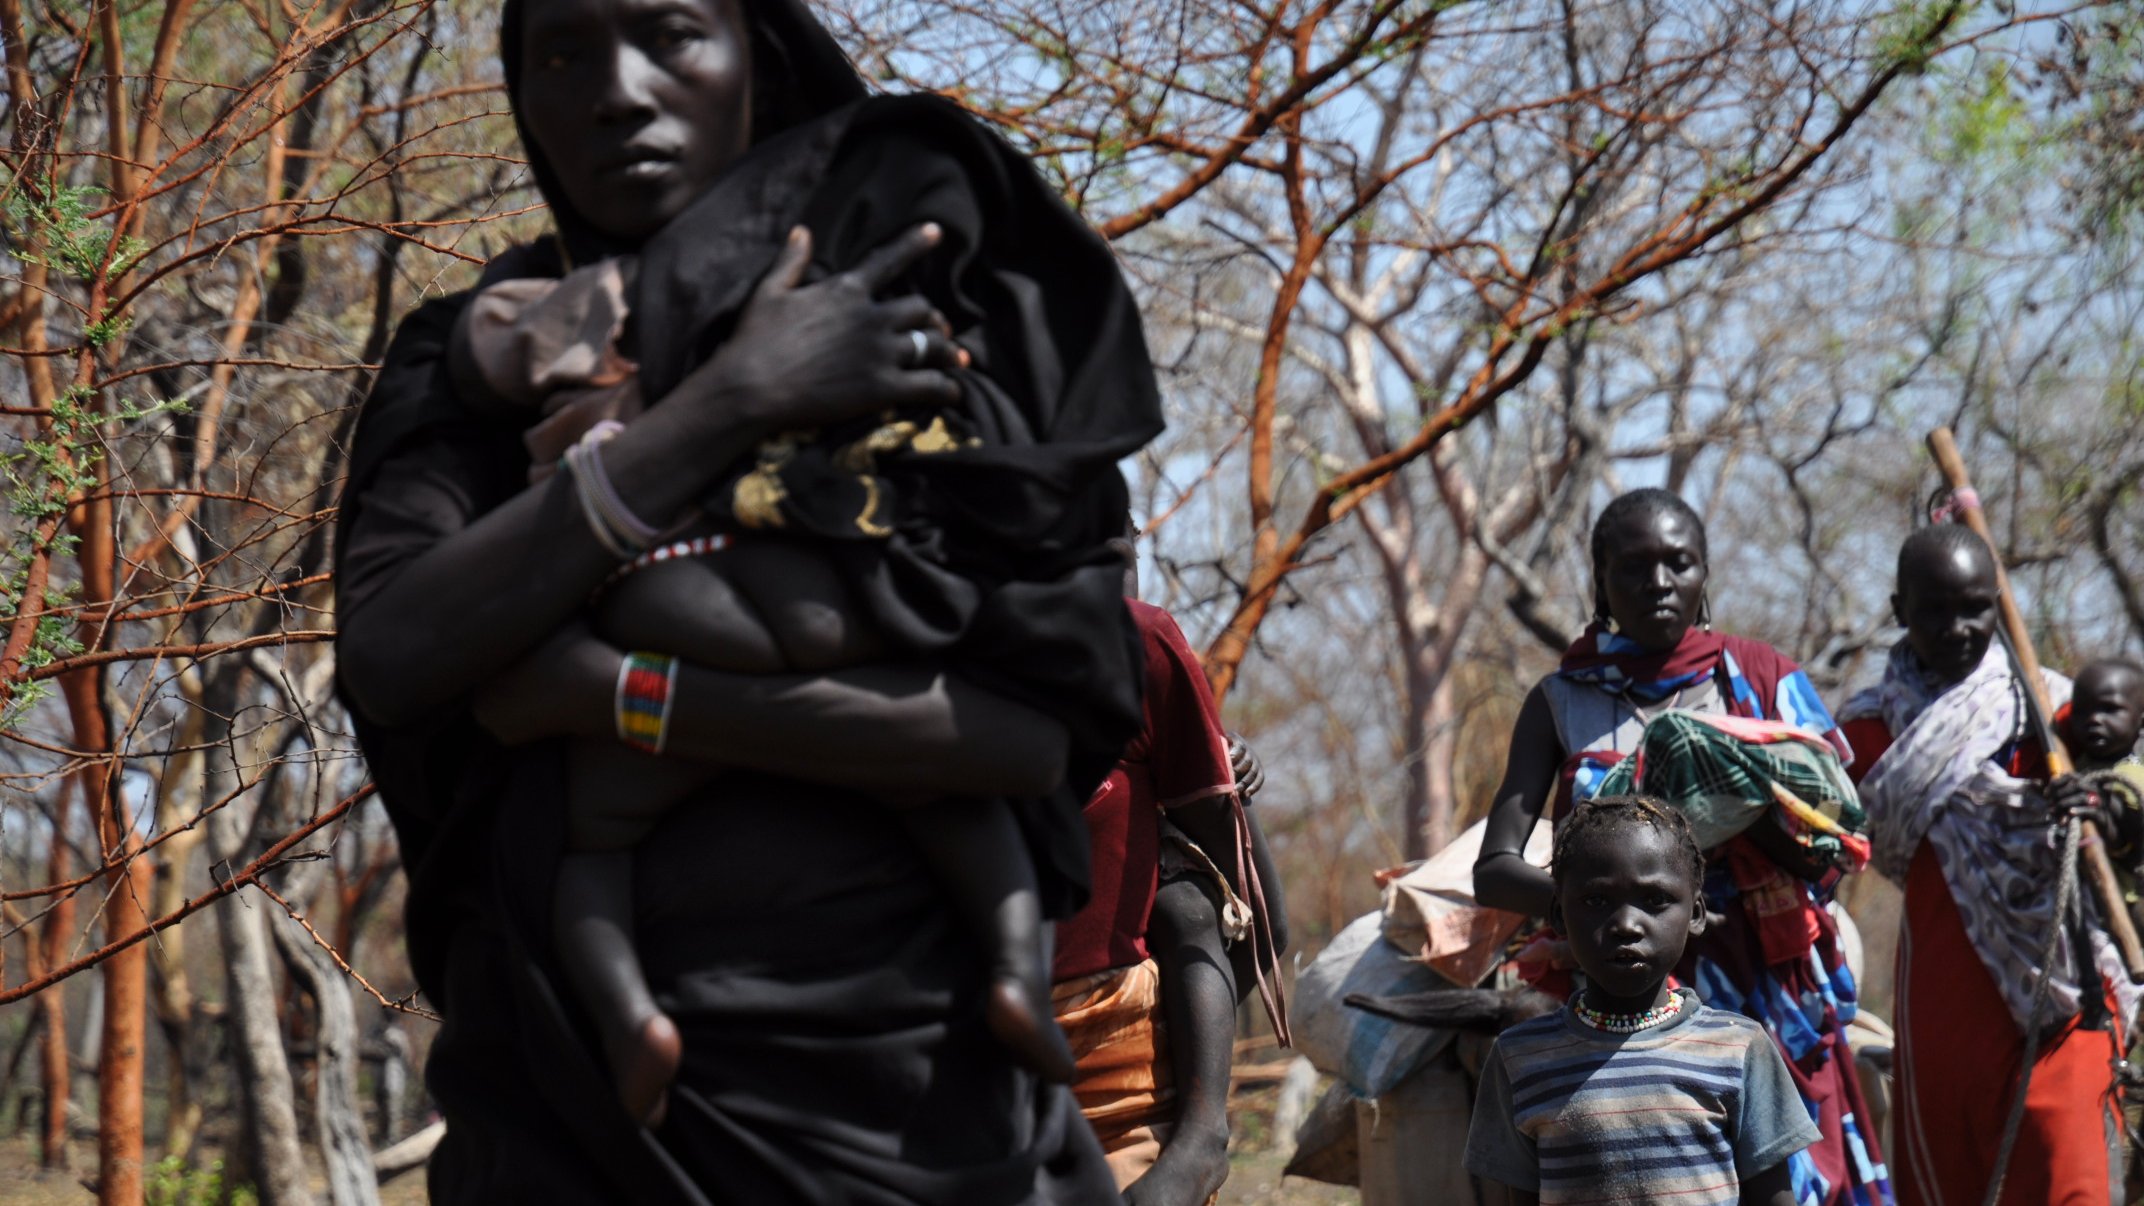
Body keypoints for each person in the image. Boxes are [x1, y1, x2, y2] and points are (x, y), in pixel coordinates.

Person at [332, 0, 1160, 1198]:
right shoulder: (477, 362)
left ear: (755, 63)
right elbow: (398, 653)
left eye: (668, 32)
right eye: (560, 50)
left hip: (933, 1126)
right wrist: (725, 402)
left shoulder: (916, 319)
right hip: (582, 1131)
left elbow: (1026, 730)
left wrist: (621, 699)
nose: (613, 90)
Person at [1473, 487, 1889, 1206]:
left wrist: (1749, 811)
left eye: (1678, 563)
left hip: (1767, 987)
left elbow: (1839, 843)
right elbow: (1494, 870)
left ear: (1703, 576)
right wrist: (1608, 910)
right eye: (1633, 566)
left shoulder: (1762, 680)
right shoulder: (1561, 700)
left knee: (1791, 1178)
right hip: (1612, 980)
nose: (1657, 583)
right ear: (1600, 581)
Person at [1839, 525, 2136, 1206]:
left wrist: (2103, 801)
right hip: (1942, 1004)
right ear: (1897, 610)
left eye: (1975, 606)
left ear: (2000, 605)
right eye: (1934, 609)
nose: (1957, 628)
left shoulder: (2056, 712)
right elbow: (1826, 838)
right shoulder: (1867, 733)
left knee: (2075, 1183)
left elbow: (2129, 788)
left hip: (2064, 995)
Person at [1049, 538, 1287, 1203]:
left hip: (1128, 1066)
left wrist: (1184, 1069)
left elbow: (1270, 926)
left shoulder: (1145, 655)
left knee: (1184, 905)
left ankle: (1201, 1140)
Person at [1465, 794, 1820, 1206]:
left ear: (1696, 914)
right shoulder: (1520, 1059)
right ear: (1560, 916)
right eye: (1597, 901)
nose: (1626, 925)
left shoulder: (1739, 1049)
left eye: (1655, 901)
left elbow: (1771, 1196)